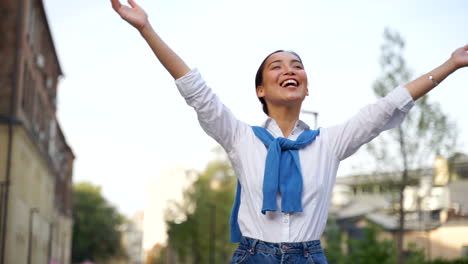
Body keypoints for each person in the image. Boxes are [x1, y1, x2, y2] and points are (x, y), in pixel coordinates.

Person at [110, 0, 468, 263]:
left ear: (305, 88)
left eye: (297, 65)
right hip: (253, 255)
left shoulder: (329, 144)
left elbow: (387, 106)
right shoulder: (241, 138)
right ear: (260, 90)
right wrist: (146, 28)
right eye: (276, 66)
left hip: (308, 257)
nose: (289, 69)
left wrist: (451, 64)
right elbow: (194, 89)